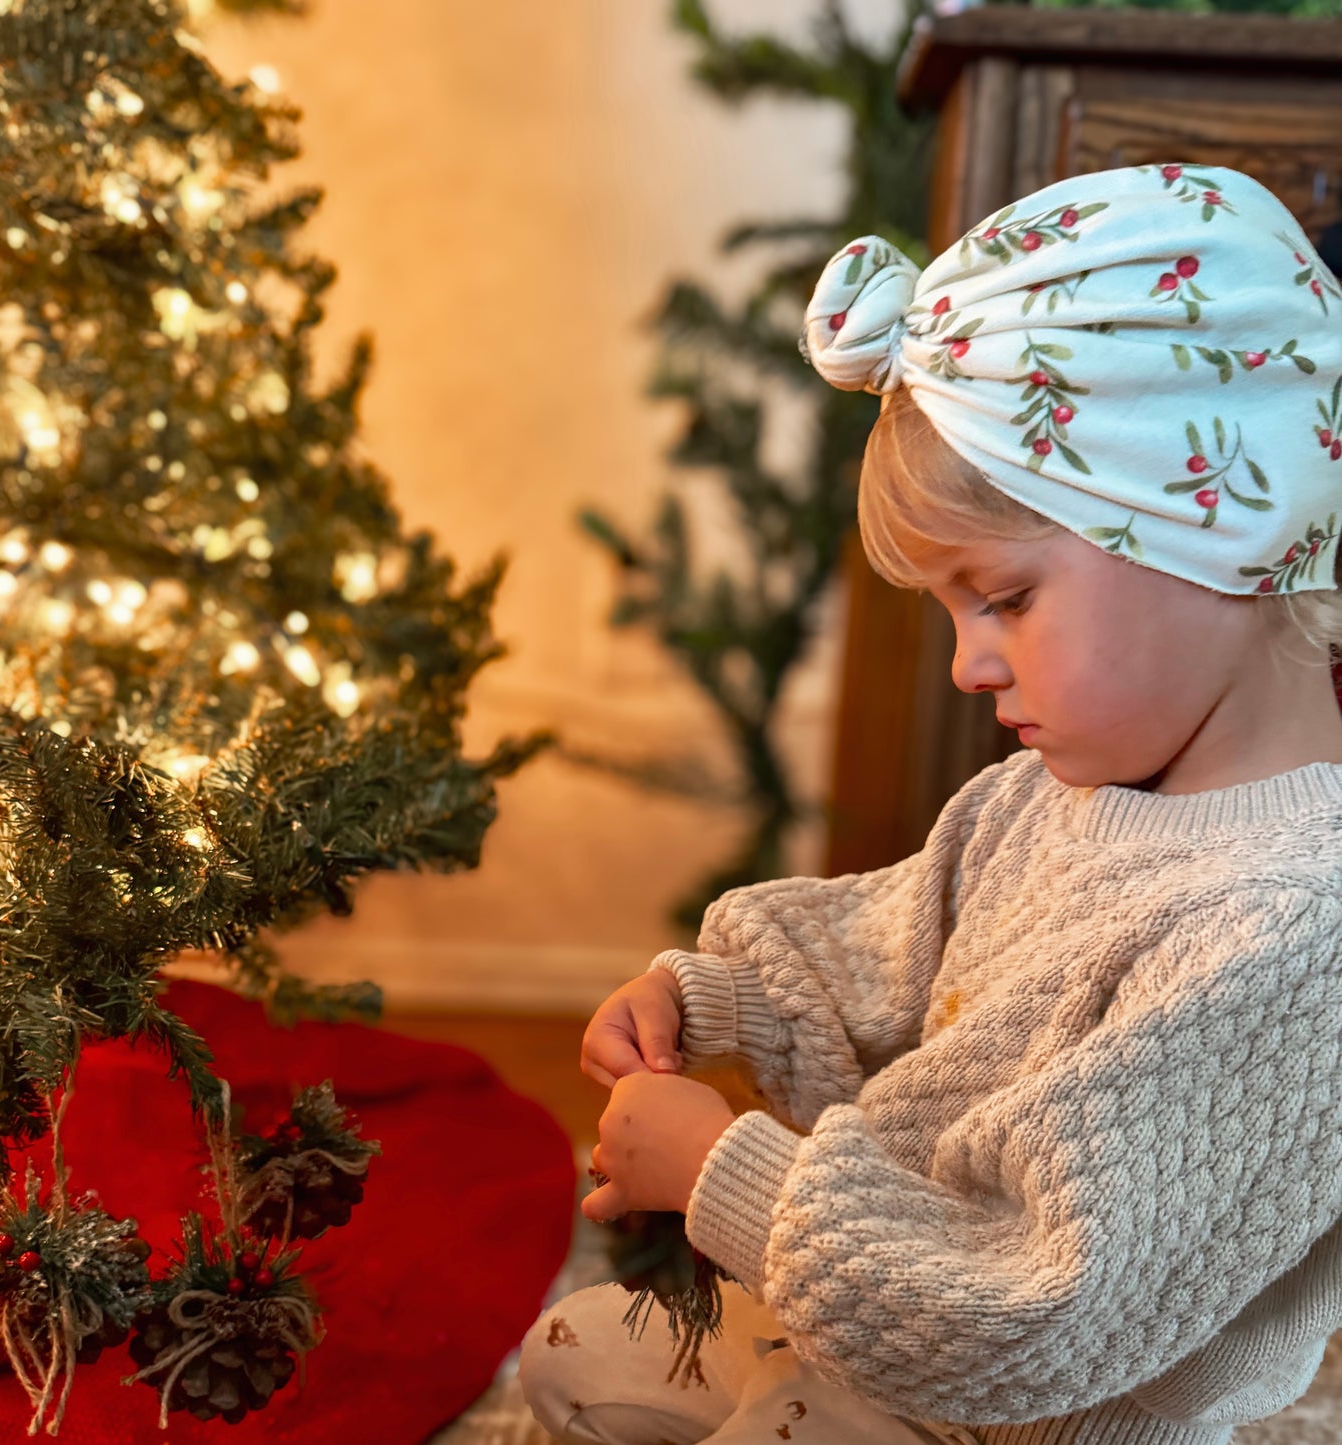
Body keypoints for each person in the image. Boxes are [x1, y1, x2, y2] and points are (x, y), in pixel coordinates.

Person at [518, 163, 1342, 1445]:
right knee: (568, 1354)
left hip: (1028, 1412)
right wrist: (714, 999)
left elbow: (1039, 1307)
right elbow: (887, 949)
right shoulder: (1049, 795)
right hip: (874, 1327)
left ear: (1220, 536)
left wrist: (727, 1176)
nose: (969, 664)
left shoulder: (1291, 929)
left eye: (1004, 598)